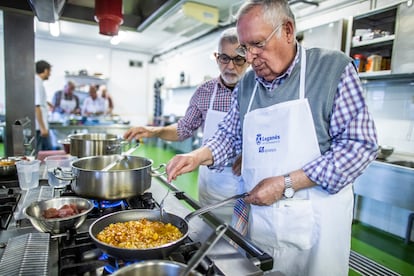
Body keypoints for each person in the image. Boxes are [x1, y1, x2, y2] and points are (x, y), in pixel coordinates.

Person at [165, 1, 378, 275]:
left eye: (258, 44)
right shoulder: (248, 85)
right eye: (245, 48)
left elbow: (359, 146)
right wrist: (196, 156)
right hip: (261, 221)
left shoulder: (331, 69)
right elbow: (229, 137)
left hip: (316, 230)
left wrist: (286, 183)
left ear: (288, 31)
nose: (250, 58)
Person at [124, 27, 250, 223]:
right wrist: (153, 130)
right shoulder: (205, 91)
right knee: (211, 232)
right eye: (225, 58)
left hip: (247, 184)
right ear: (217, 58)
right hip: (211, 183)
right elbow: (184, 129)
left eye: (238, 59)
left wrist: (253, 155)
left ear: (248, 59)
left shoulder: (257, 90)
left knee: (244, 245)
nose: (231, 66)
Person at [35, 60, 53, 152]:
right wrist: (43, 128)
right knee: (44, 152)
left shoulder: (38, 82)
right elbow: (36, 107)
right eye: (50, 71)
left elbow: (38, 101)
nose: (50, 74)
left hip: (41, 126)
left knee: (47, 150)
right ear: (45, 70)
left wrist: (46, 102)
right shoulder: (37, 83)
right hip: (39, 127)